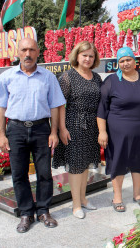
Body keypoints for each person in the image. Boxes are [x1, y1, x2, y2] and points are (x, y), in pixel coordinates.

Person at [0, 38, 66, 233]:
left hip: (41, 129)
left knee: (44, 173)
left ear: (38, 51)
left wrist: (54, 131)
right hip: (16, 130)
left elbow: (55, 106)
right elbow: (0, 108)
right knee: (19, 174)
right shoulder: (7, 77)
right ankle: (25, 213)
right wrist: (2, 136)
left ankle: (43, 211)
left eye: (32, 49)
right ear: (18, 52)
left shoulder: (48, 77)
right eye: (24, 50)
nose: (28, 54)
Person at [97, 47, 140, 212]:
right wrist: (102, 131)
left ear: (135, 61)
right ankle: (117, 197)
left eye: (128, 59)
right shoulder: (112, 81)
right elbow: (102, 109)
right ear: (118, 64)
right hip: (118, 133)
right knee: (118, 161)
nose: (125, 63)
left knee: (139, 160)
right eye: (121, 61)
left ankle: (137, 194)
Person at [52, 41, 102, 219]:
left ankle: (84, 199)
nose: (88, 59)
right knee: (75, 166)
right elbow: (59, 105)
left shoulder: (96, 78)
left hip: (92, 125)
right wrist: (62, 128)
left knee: (86, 164)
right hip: (74, 125)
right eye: (84, 55)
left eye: (91, 55)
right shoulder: (68, 77)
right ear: (77, 56)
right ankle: (75, 205)